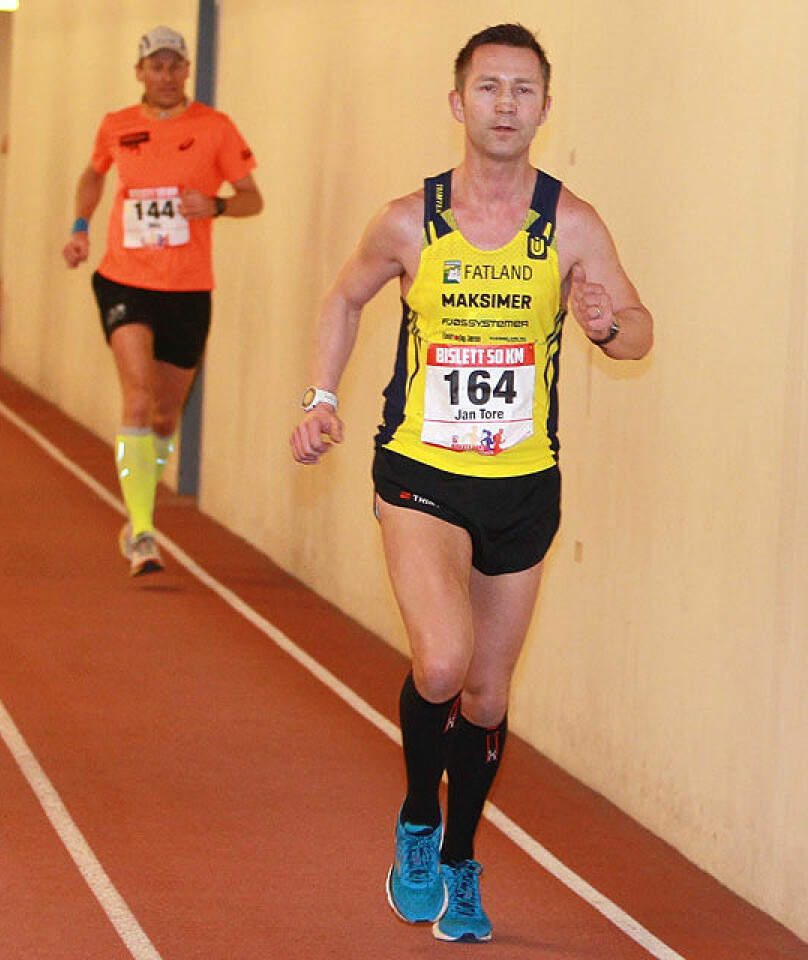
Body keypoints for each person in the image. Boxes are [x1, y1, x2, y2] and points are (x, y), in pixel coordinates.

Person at [290, 23, 652, 944]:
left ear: (543, 107)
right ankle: (417, 818)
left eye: (522, 90)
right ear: (459, 103)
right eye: (488, 88)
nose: (504, 104)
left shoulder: (570, 223)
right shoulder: (409, 219)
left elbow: (640, 329)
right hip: (421, 471)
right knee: (443, 661)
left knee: (487, 698)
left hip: (524, 486)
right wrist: (322, 394)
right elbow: (344, 296)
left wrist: (610, 323)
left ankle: (459, 853)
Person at [63, 26, 262, 577]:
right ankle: (143, 529)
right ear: (140, 72)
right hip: (124, 279)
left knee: (164, 413)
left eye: (176, 66)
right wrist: (80, 227)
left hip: (189, 288)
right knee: (137, 398)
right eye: (156, 66)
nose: (166, 76)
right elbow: (91, 175)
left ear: (187, 70)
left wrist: (217, 206)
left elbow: (253, 199)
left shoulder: (215, 128)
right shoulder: (117, 125)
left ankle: (139, 511)